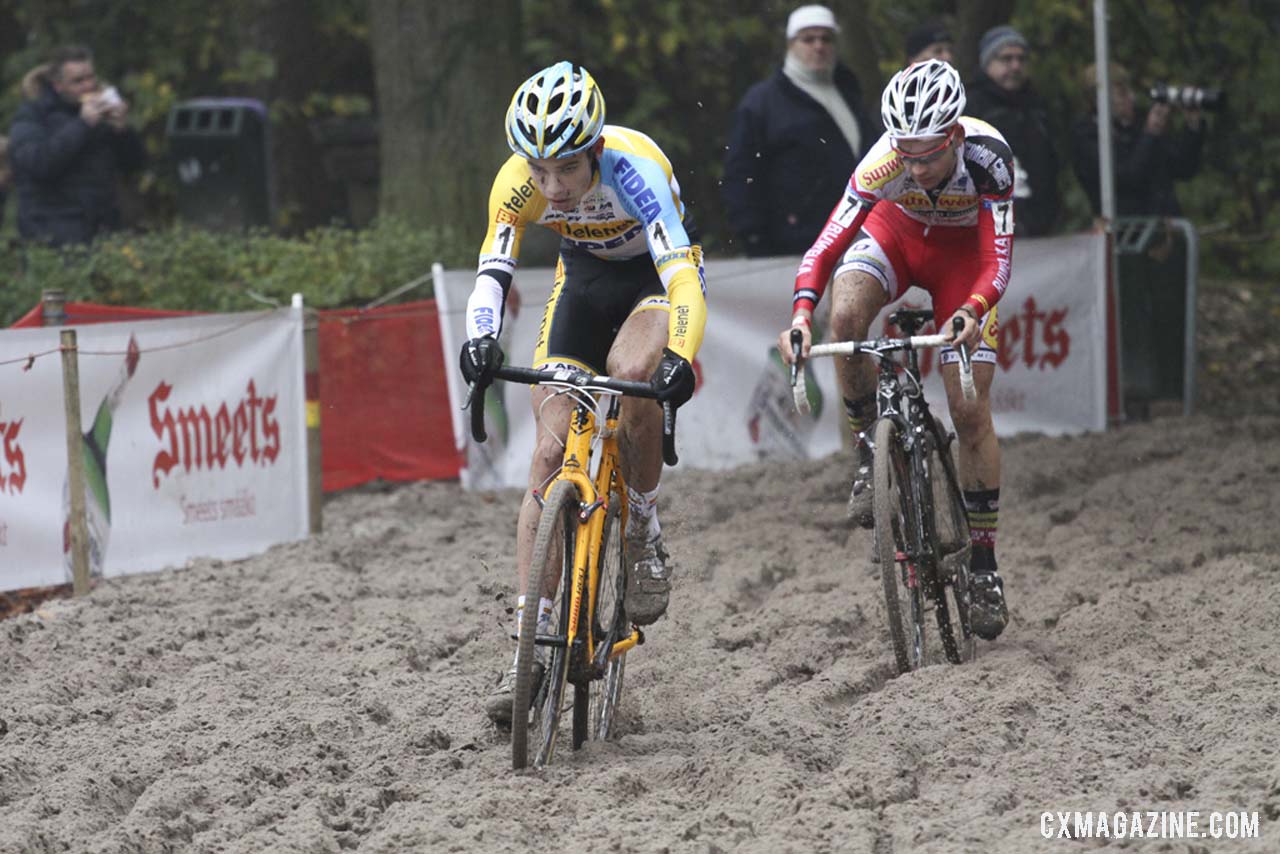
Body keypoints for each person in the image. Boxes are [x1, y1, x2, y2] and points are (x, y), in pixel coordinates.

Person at [459, 62, 707, 724]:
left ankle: (645, 529)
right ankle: (529, 654)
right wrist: (480, 340)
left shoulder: (635, 171)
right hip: (584, 285)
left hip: (656, 283)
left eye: (566, 169)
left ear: (594, 149)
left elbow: (682, 277)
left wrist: (678, 356)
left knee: (632, 373)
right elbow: (492, 272)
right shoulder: (519, 183)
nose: (552, 186)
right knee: (546, 455)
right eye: (539, 171)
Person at [778, 60, 1014, 641]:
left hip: (965, 259)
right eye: (905, 152)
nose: (915, 165)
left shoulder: (989, 160)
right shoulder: (885, 162)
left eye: (929, 155)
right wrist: (802, 314)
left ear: (955, 137)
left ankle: (984, 565)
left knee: (968, 409)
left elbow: (997, 261)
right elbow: (825, 245)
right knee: (847, 313)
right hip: (899, 236)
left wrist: (972, 310)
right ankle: (867, 451)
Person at [722, 4, 879, 257]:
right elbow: (741, 175)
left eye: (826, 38)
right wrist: (753, 238)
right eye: (808, 39)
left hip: (857, 239)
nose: (818, 46)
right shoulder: (763, 103)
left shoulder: (849, 94)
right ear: (791, 44)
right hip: (791, 247)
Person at [7, 45, 145, 247]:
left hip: (104, 232)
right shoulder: (32, 116)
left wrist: (122, 131)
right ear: (57, 85)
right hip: (52, 236)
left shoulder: (101, 116)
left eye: (91, 77)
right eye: (78, 81)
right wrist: (82, 125)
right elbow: (39, 164)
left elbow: (134, 166)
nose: (89, 86)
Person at [1070, 62, 1204, 217]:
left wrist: (1192, 125)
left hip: (1165, 230)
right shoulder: (1086, 136)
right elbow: (1126, 178)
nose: (1132, 98)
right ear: (1099, 99)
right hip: (1126, 235)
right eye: (1122, 94)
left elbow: (1183, 168)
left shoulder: (1138, 124)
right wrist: (1150, 133)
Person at [964, 25, 1059, 237]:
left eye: (1021, 59)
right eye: (1006, 59)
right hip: (989, 223)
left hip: (1039, 222)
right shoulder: (972, 106)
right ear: (988, 62)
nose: (1015, 66)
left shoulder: (1037, 106)